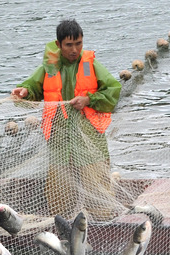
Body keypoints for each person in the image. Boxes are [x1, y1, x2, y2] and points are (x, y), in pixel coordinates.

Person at [12, 19, 121, 219]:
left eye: (78, 43)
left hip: (88, 136)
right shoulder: (49, 67)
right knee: (58, 189)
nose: (74, 49)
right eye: (69, 45)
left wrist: (89, 99)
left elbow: (113, 90)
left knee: (96, 184)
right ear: (59, 44)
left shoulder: (91, 64)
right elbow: (34, 87)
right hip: (59, 138)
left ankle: (104, 221)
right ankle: (62, 224)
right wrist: (25, 91)